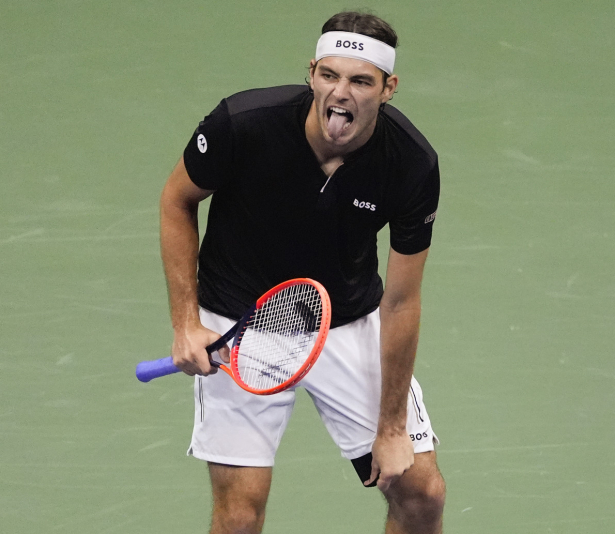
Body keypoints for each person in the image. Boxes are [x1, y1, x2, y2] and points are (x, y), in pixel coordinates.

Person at [159, 11, 445, 534]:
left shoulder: (410, 163)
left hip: (345, 320)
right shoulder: (244, 123)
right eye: (329, 75)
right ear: (311, 73)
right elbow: (177, 200)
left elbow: (402, 300)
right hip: (238, 324)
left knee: (422, 493)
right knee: (239, 516)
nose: (341, 93)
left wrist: (391, 426)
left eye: (361, 81)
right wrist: (185, 322)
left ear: (388, 88)